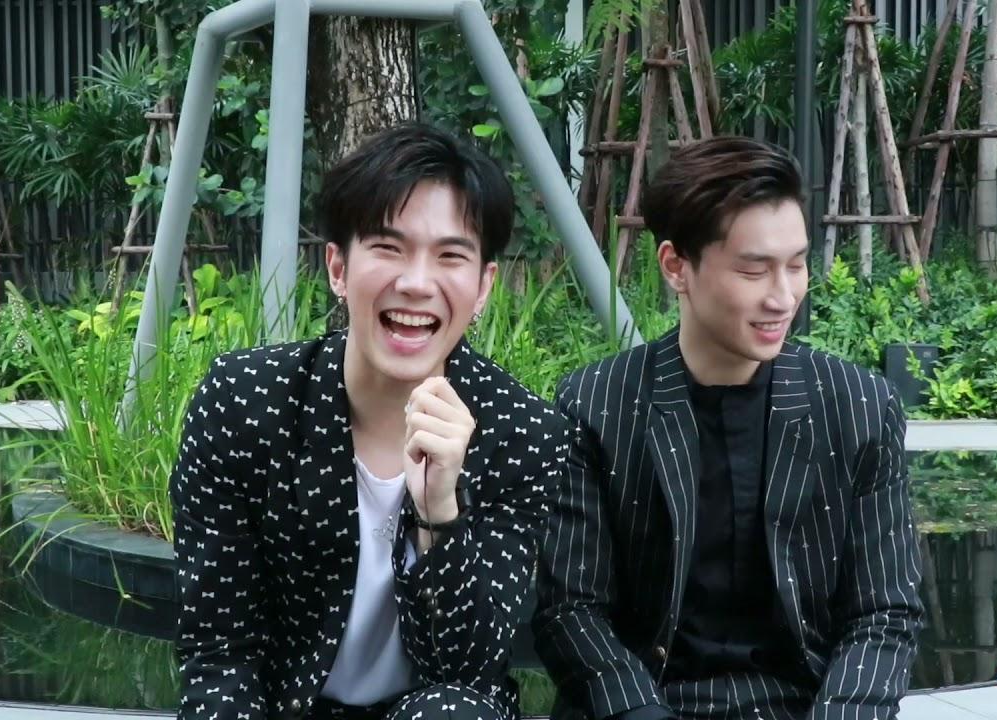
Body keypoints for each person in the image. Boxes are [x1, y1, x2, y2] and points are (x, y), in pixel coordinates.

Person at [171, 123, 569, 720]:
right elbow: (219, 652)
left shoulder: (522, 433)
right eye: (388, 248)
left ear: (484, 285)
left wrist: (439, 513)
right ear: (338, 266)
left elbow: (472, 670)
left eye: (450, 256)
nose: (416, 284)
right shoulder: (245, 401)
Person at [533, 136, 924, 720]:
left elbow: (884, 612)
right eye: (753, 270)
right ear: (676, 266)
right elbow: (571, 610)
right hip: (645, 704)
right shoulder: (596, 405)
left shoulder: (859, 406)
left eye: (797, 265)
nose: (783, 297)